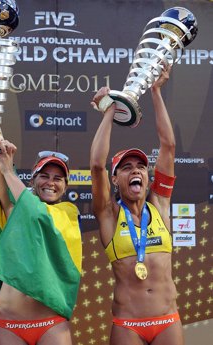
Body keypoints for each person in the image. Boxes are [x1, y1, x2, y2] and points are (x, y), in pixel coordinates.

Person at [90, 65, 183, 345]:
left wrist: (155, 91)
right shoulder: (109, 214)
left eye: (141, 167)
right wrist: (110, 111)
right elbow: (96, 165)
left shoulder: (161, 205)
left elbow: (168, 145)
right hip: (127, 324)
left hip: (168, 320)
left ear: (147, 176)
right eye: (127, 168)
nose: (136, 172)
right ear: (115, 179)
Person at [0, 140, 82, 345]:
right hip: (11, 325)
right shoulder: (18, 210)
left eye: (58, 178)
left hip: (50, 324)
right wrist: (0, 160)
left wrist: (9, 172)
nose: (51, 182)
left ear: (65, 186)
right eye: (44, 176)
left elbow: (37, 213)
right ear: (33, 180)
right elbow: (6, 200)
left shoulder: (68, 213)